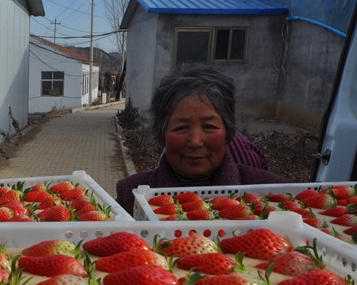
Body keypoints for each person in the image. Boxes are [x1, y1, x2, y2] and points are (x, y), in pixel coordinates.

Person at [116, 64, 286, 216]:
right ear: (162, 133)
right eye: (181, 128)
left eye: (209, 126)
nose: (196, 142)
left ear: (227, 131)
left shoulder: (271, 192)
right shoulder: (130, 194)